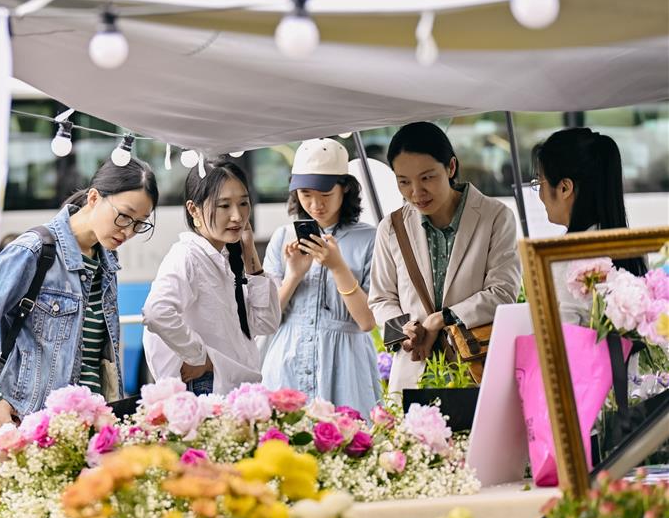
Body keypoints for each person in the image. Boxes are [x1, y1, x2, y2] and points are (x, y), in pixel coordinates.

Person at [0, 159, 158, 427]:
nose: (129, 231)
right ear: (94, 197)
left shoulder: (106, 263)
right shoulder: (33, 250)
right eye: (124, 216)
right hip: (36, 421)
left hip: (95, 420)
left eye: (140, 224)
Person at [368, 122, 521, 391]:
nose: (416, 192)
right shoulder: (392, 227)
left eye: (427, 178)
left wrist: (440, 319)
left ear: (450, 167)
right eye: (404, 182)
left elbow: (503, 292)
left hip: (476, 369)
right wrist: (405, 331)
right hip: (414, 375)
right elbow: (381, 299)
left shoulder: (495, 216)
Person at [261, 139, 379, 415]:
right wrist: (293, 276)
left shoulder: (369, 239)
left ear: (345, 187)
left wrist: (338, 267)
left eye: (325, 194)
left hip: (345, 368)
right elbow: (267, 321)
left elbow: (367, 321)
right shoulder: (283, 237)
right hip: (287, 365)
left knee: (348, 447)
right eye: (305, 193)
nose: (315, 204)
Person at [142, 158, 281, 395]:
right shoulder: (188, 256)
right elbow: (156, 312)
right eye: (224, 206)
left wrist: (249, 249)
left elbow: (266, 323)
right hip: (208, 386)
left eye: (244, 203)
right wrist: (199, 356)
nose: (237, 216)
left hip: (233, 387)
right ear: (193, 209)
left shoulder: (227, 256)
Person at [533, 127, 647, 324]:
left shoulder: (564, 257)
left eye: (539, 182)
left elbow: (560, 340)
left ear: (564, 188)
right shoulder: (633, 247)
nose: (540, 195)